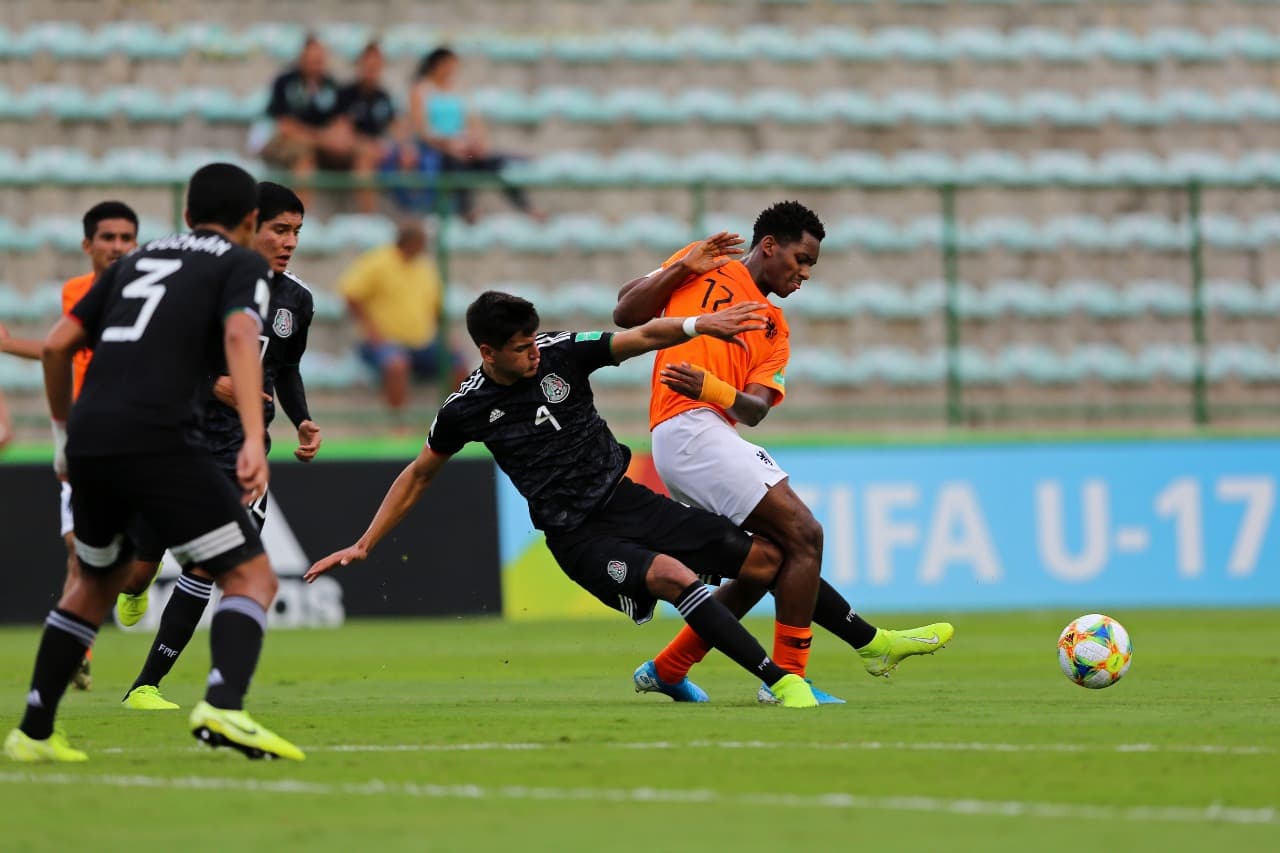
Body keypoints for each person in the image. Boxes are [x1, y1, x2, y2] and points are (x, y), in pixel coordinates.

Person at [305, 291, 822, 709]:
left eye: (534, 340)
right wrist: (366, 542)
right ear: (488, 353)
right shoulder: (465, 408)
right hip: (579, 536)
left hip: (628, 500)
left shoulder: (560, 352)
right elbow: (419, 475)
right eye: (520, 346)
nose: (534, 352)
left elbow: (639, 336)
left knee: (765, 559)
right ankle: (779, 681)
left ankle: (671, 672)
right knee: (673, 577)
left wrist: (697, 327)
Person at [3, 163, 303, 762]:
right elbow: (243, 340)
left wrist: (63, 435)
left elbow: (58, 346)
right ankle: (224, 705)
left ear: (187, 215)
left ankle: (33, 732)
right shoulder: (240, 264)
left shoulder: (134, 262)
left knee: (93, 585)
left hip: (91, 436)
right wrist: (252, 434)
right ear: (249, 222)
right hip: (160, 436)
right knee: (251, 576)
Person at [613, 202, 955, 704]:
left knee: (768, 560)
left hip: (714, 428)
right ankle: (792, 679)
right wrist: (683, 266)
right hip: (685, 429)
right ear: (769, 245)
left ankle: (670, 667)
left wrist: (715, 389)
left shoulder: (774, 327)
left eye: (812, 265)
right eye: (801, 258)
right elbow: (625, 312)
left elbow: (754, 410)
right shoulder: (706, 263)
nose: (805, 273)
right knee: (805, 532)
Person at [120, 181, 323, 711]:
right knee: (140, 567)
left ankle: (146, 686)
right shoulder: (204, 284)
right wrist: (215, 381)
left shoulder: (296, 300)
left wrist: (301, 419)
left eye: (297, 231)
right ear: (250, 225)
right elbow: (162, 350)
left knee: (209, 568)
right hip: (177, 439)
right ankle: (134, 585)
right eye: (280, 229)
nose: (290, 242)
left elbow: (286, 368)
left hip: (238, 450)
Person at [0, 200, 140, 691]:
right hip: (88, 439)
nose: (118, 247)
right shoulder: (76, 292)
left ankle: (135, 586)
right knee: (79, 552)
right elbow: (67, 350)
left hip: (143, 435)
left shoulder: (147, 294)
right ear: (88, 246)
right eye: (109, 238)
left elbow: (70, 349)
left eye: (126, 239)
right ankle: (80, 648)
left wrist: (8, 343)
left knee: (127, 558)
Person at [340, 219, 461, 423]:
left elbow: (436, 309)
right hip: (384, 342)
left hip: (422, 342)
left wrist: (446, 337)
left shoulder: (424, 267)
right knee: (396, 364)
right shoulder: (377, 261)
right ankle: (398, 424)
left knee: (458, 364)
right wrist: (372, 332)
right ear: (411, 242)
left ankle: (458, 421)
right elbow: (351, 295)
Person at [407, 46, 539, 222]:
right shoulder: (422, 90)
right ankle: (467, 209)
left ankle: (527, 208)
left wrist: (476, 142)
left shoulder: (456, 90)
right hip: (438, 150)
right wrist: (448, 144)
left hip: (462, 147)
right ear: (437, 65)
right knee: (456, 163)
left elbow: (473, 122)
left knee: (494, 165)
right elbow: (423, 130)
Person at [261, 36, 363, 204]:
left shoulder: (331, 85)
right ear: (302, 58)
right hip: (289, 142)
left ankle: (368, 221)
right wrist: (322, 138)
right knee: (303, 157)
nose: (317, 64)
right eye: (313, 60)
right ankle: (300, 219)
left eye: (320, 60)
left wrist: (337, 139)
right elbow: (285, 127)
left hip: (322, 144)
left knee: (363, 155)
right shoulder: (285, 82)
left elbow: (342, 123)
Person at [336, 41, 410, 213]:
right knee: (365, 161)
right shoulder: (346, 94)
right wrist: (370, 145)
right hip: (353, 151)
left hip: (378, 150)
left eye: (376, 65)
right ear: (360, 65)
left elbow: (395, 126)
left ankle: (411, 213)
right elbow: (341, 132)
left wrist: (405, 147)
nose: (372, 70)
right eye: (368, 65)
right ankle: (367, 216)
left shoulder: (383, 96)